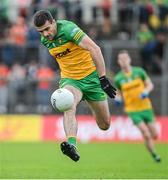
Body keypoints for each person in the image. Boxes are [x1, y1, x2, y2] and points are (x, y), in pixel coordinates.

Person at [33, 10, 116, 162]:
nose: (45, 34)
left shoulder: (69, 29)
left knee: (105, 125)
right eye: (40, 31)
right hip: (71, 80)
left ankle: (91, 102)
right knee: (68, 103)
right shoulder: (45, 40)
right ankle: (72, 145)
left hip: (91, 79)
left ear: (53, 22)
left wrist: (103, 78)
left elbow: (95, 49)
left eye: (47, 29)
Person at [114, 50, 161, 163]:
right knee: (145, 133)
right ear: (118, 62)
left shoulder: (139, 72)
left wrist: (145, 91)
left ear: (129, 59)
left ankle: (152, 144)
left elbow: (150, 84)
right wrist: (118, 99)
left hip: (146, 107)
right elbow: (119, 93)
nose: (124, 61)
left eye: (125, 58)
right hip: (132, 110)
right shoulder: (118, 78)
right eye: (121, 59)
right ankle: (154, 155)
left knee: (154, 134)